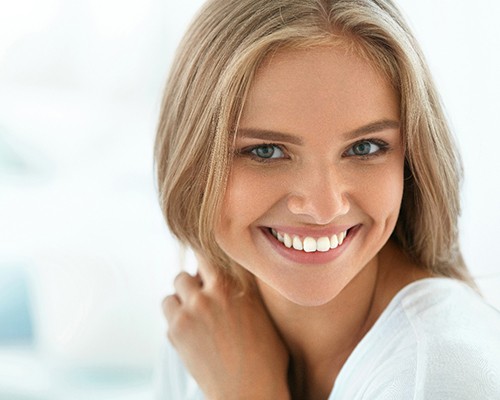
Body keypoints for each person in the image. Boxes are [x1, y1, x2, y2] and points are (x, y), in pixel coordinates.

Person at [154, 0, 500, 398]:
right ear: (191, 158)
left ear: (411, 157)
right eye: (266, 150)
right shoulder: (205, 327)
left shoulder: (440, 376)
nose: (324, 207)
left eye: (365, 147)